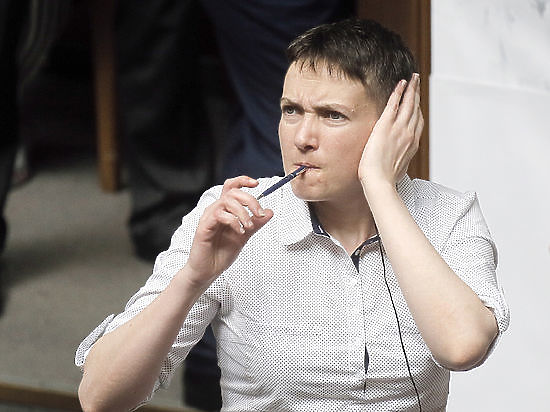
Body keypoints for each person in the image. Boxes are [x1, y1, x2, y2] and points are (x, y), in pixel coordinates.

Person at [75, 18, 509, 411]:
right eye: (291, 111)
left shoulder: (450, 215)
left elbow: (462, 347)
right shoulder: (234, 213)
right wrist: (192, 278)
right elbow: (100, 398)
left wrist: (379, 186)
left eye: (332, 115)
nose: (302, 137)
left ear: (396, 125)